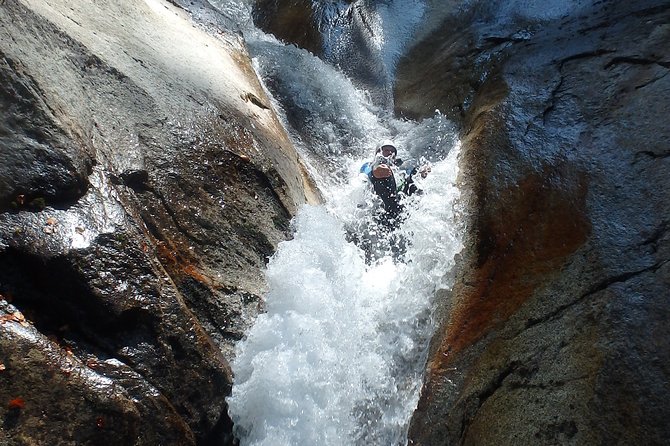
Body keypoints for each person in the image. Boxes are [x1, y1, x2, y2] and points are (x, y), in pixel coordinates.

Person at [361, 141, 430, 228]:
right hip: (380, 202)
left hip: (398, 204)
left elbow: (409, 179)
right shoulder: (368, 165)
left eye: (392, 151)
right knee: (382, 167)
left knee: (415, 176)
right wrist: (376, 171)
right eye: (386, 150)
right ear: (378, 152)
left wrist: (420, 174)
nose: (390, 153)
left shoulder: (400, 170)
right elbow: (366, 172)